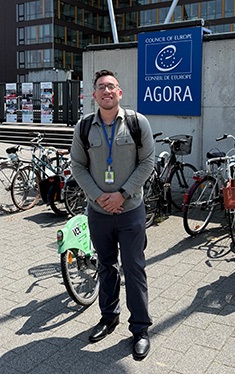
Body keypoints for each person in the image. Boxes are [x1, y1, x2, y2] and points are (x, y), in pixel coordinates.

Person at [70, 69, 155, 360]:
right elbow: (77, 166)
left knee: (134, 268)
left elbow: (147, 163)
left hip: (131, 210)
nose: (107, 91)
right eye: (101, 87)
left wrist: (122, 194)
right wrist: (98, 197)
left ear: (119, 93)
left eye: (112, 87)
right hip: (99, 212)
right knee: (105, 266)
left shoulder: (136, 122)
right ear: (94, 95)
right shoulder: (83, 127)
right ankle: (108, 317)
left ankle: (140, 329)